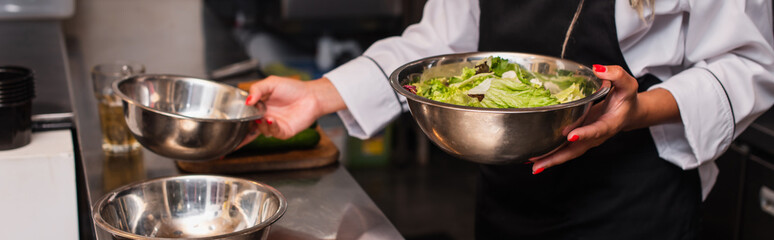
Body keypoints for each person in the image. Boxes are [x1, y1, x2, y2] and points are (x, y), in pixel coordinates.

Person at [242, 0, 774, 239]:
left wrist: (636, 111)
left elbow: (751, 63)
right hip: (510, 201)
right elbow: (439, 45)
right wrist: (316, 94)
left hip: (632, 204)